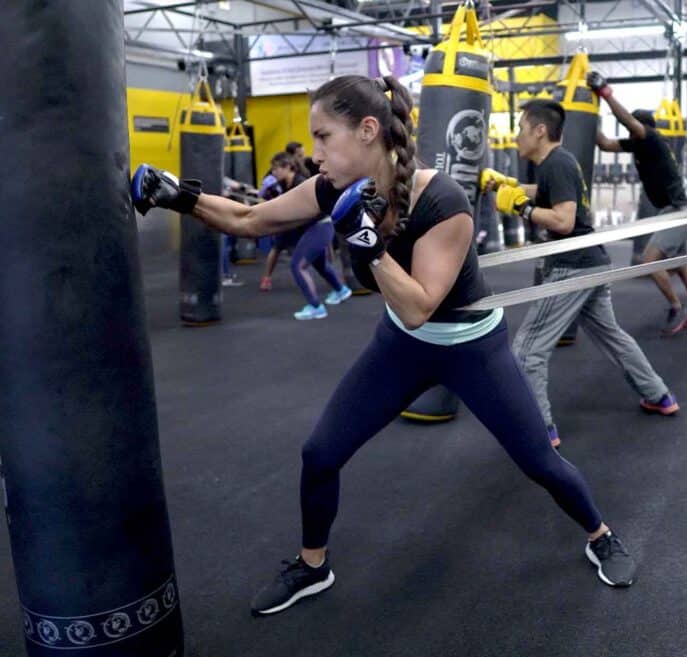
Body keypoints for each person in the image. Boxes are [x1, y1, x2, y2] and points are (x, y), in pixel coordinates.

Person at [131, 75, 637, 615]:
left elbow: (419, 305)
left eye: (324, 137)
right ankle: (312, 566)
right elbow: (251, 219)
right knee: (320, 453)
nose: (316, 153)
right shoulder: (333, 187)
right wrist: (179, 197)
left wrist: (366, 241)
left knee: (539, 461)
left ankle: (601, 534)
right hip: (401, 346)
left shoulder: (445, 201)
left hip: (471, 348)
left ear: (368, 130)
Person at [492, 99, 679, 450]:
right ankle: (659, 395)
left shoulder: (557, 164)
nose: (516, 136)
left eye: (520, 128)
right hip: (592, 262)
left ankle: (539, 429)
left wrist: (522, 207)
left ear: (539, 130)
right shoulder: (555, 164)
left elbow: (562, 221)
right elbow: (546, 193)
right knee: (612, 336)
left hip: (571, 266)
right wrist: (506, 185)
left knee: (528, 349)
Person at [589, 71, 687, 336]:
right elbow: (603, 143)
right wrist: (588, 112)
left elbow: (629, 123)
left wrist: (606, 94)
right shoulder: (638, 146)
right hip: (674, 211)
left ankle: (676, 307)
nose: (630, 133)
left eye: (634, 129)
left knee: (649, 261)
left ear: (641, 129)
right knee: (681, 266)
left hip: (678, 213)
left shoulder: (653, 141)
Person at [258, 152, 351, 318]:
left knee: (298, 266)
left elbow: (296, 210)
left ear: (288, 167)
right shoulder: (287, 185)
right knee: (320, 264)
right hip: (315, 228)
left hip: (319, 227)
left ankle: (316, 307)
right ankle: (341, 290)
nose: (273, 173)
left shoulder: (299, 183)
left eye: (276, 169)